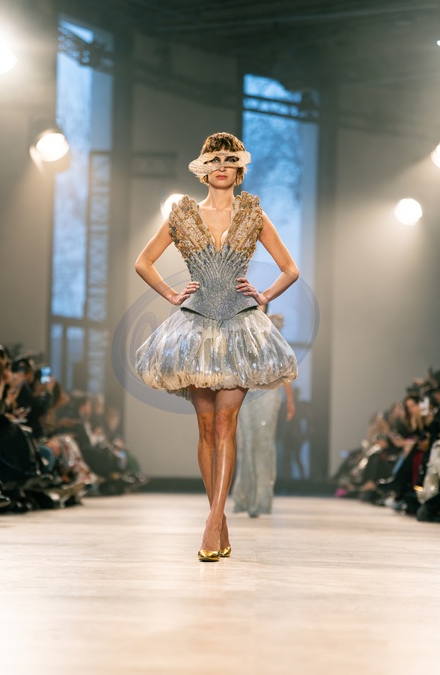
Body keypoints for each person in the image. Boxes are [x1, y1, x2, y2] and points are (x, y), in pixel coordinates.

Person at [134, 132, 299, 561]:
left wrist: (264, 295)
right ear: (203, 168)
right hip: (195, 328)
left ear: (239, 168)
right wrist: (171, 295)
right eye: (214, 160)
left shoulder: (253, 214)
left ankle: (211, 525)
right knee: (206, 428)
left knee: (227, 425)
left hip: (241, 327)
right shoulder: (183, 214)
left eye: (229, 160)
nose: (221, 166)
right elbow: (143, 261)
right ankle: (219, 520)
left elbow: (290, 268)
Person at [232, 307, 295, 517]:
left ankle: (261, 500)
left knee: (264, 443)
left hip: (269, 391)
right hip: (246, 392)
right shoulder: (239, 327)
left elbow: (284, 364)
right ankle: (245, 498)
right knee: (246, 443)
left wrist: (290, 400)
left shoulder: (272, 327)